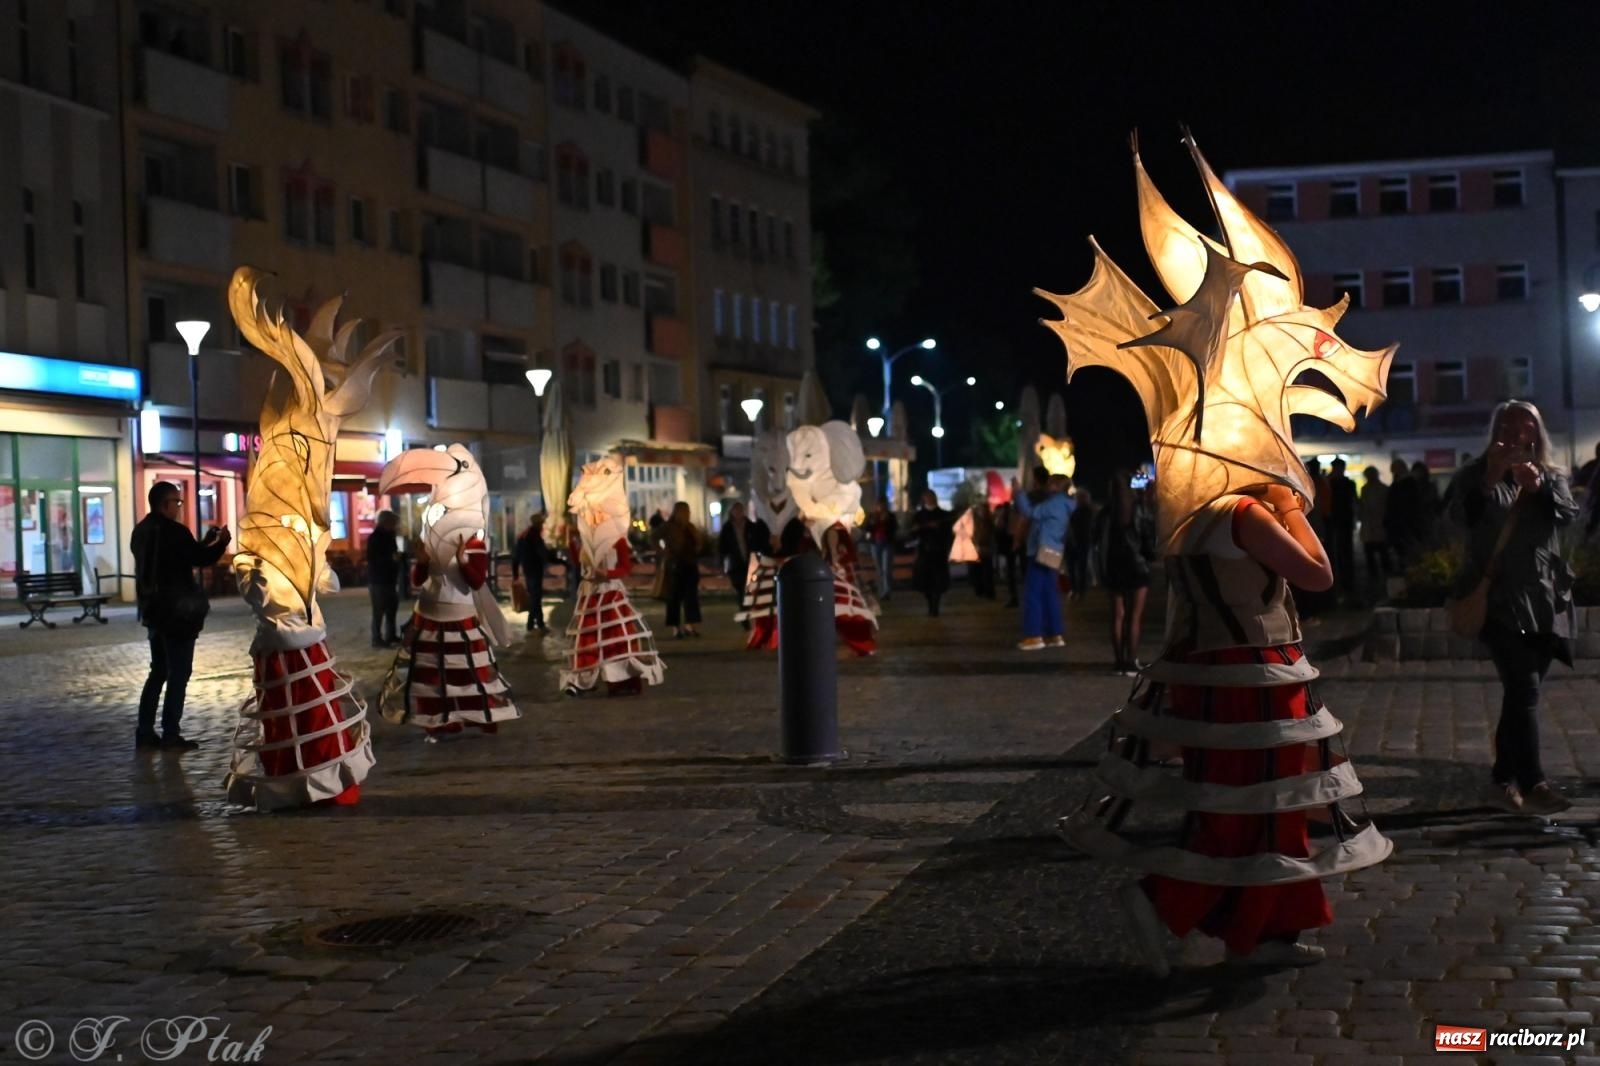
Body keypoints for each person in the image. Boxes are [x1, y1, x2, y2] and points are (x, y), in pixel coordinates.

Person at [1446, 400, 1578, 815]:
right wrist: (1490, 477)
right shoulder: (1475, 474)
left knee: (1519, 696)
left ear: (1536, 434)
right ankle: (1534, 782)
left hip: (1545, 599)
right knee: (1525, 689)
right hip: (1499, 598)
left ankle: (1502, 780)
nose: (1515, 434)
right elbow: (1458, 518)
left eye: (1525, 427)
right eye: (1506, 425)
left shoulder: (1551, 476)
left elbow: (1567, 516)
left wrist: (1539, 488)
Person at [131, 481, 230, 752]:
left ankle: (144, 732)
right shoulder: (174, 531)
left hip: (153, 612)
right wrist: (220, 544)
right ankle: (170, 734)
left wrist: (204, 541)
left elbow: (180, 556)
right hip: (178, 614)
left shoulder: (140, 531)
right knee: (179, 673)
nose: (179, 506)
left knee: (158, 671)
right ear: (165, 504)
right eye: (177, 502)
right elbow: (198, 559)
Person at [1095, 472, 1156, 675]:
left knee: (1117, 616)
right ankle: (1131, 661)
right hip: (1137, 567)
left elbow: (1095, 539)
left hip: (1113, 567)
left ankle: (1119, 662)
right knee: (1134, 616)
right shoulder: (1138, 509)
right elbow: (1148, 535)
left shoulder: (1105, 513)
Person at [1013, 472, 1072, 650]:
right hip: (1055, 551)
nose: (1047, 486)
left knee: (1033, 594)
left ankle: (1034, 636)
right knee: (1050, 593)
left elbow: (1030, 512)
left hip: (1041, 550)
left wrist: (1018, 493)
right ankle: (1055, 634)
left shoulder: (1054, 503)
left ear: (1055, 486)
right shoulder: (1067, 504)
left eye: (1050, 483)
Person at [662, 501, 704, 637]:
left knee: (691, 597)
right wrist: (664, 552)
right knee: (674, 597)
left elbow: (698, 542)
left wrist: (697, 547)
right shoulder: (669, 526)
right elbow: (654, 537)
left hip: (690, 565)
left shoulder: (689, 527)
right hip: (676, 565)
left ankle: (690, 624)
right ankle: (676, 627)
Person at [364, 510, 402, 647]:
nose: (395, 525)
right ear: (385, 522)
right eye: (392, 523)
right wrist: (390, 559)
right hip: (378, 580)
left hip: (389, 579)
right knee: (379, 610)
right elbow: (372, 559)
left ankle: (390, 635)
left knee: (392, 608)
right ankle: (377, 639)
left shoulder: (389, 536)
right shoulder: (375, 538)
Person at [912, 490, 953, 617]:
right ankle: (930, 604)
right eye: (927, 497)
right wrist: (919, 529)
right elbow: (913, 532)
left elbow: (948, 533)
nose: (929, 499)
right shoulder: (919, 515)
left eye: (931, 497)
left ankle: (935, 607)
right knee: (925, 580)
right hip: (924, 551)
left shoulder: (944, 515)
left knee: (938, 580)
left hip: (938, 551)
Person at [512, 512, 552, 633]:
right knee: (535, 597)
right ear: (539, 524)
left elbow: (516, 556)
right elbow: (542, 553)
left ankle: (539, 623)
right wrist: (550, 560)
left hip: (527, 569)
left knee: (536, 596)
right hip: (535, 569)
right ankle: (530, 623)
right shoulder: (535, 535)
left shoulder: (524, 535)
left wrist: (515, 573)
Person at [718, 501, 753, 628]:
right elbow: (722, 548)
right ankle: (744, 616)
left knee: (748, 591)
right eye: (736, 510)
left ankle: (746, 613)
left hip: (749, 563)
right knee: (740, 591)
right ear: (732, 512)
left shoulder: (749, 525)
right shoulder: (727, 528)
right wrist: (722, 564)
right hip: (735, 565)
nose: (739, 513)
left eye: (740, 510)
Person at [1326, 457, 1357, 595]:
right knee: (1342, 552)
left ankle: (1342, 584)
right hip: (1340, 520)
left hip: (1336, 521)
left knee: (1340, 552)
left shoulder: (1332, 483)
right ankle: (1344, 584)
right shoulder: (1347, 483)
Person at [1358, 465, 1391, 591]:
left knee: (1381, 556)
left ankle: (1383, 581)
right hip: (1372, 528)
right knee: (1373, 557)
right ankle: (1378, 581)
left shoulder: (1381, 489)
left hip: (1377, 527)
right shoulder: (1366, 489)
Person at [864, 498, 897, 601]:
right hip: (875, 543)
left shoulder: (890, 516)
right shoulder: (872, 516)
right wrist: (873, 523)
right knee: (879, 568)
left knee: (886, 568)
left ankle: (887, 591)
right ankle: (881, 590)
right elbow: (866, 528)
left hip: (887, 543)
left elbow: (894, 528)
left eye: (882, 505)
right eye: (878, 505)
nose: (880, 507)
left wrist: (886, 522)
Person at [1067, 486, 1096, 600]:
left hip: (1081, 542)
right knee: (1073, 568)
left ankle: (1079, 590)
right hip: (1074, 542)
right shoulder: (1076, 510)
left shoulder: (1087, 511)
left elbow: (1088, 527)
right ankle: (1076, 589)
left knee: (1080, 567)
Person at [970, 499, 997, 599]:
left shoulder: (989, 523)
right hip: (977, 549)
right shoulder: (976, 522)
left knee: (987, 572)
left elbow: (991, 536)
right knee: (978, 572)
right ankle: (980, 590)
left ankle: (988, 592)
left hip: (986, 549)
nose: (982, 512)